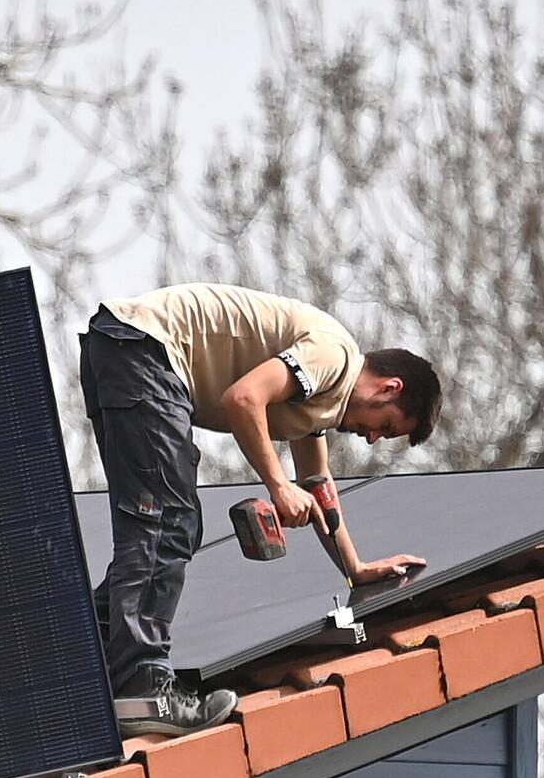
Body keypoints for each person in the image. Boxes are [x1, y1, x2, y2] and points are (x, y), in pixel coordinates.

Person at [80, 283, 442, 738]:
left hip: (121, 347)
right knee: (166, 522)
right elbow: (244, 398)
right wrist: (278, 486)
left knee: (157, 523)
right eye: (384, 427)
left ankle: (82, 661)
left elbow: (318, 484)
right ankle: (141, 686)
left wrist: (355, 568)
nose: (371, 439)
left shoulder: (319, 404)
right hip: (145, 348)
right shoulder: (335, 357)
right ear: (391, 387)